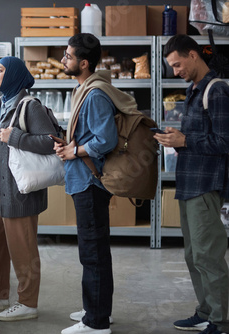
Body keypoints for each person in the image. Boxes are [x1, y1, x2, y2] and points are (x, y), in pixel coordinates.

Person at [0, 56, 57, 321]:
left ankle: (28, 303)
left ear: (14, 74)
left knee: (23, 249)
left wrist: (14, 136)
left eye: (0, 70)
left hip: (19, 192)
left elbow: (51, 143)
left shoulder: (29, 106)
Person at [154, 34, 229, 334]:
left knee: (208, 256)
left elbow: (225, 141)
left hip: (206, 186)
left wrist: (185, 139)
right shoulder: (193, 90)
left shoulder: (218, 90)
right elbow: (201, 137)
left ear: (193, 55)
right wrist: (177, 136)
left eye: (177, 64)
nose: (175, 71)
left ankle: (221, 322)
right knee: (192, 255)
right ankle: (206, 311)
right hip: (189, 183)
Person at [53, 33, 126, 334]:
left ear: (83, 63)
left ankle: (95, 324)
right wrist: (68, 143)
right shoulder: (83, 89)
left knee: (92, 252)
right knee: (93, 251)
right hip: (82, 179)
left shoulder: (94, 95)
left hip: (90, 182)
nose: (63, 60)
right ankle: (96, 310)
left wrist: (74, 151)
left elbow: (106, 139)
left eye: (68, 56)